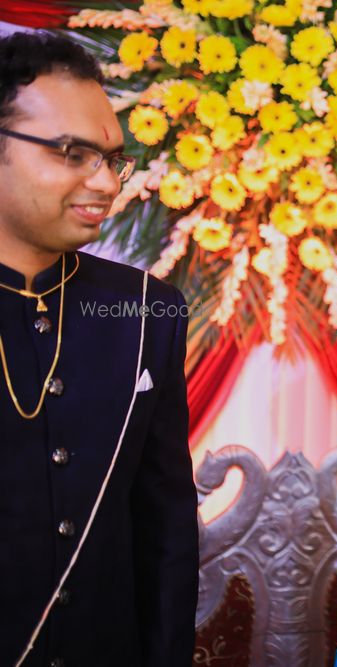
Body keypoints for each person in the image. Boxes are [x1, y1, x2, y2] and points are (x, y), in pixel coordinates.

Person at [0, 32, 198, 666]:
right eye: (72, 153)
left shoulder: (147, 310)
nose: (106, 182)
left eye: (113, 159)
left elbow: (165, 529)